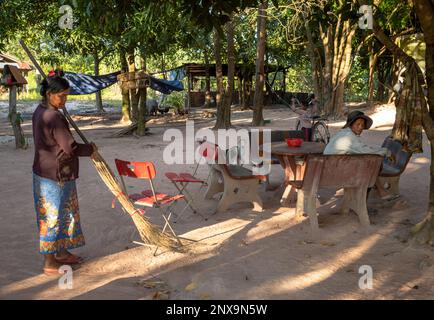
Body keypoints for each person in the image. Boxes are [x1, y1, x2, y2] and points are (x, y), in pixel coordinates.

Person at [32, 71, 96, 276]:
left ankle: (61, 252)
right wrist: (90, 149)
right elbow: (70, 148)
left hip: (46, 172)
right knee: (53, 218)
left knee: (61, 214)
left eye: (67, 96)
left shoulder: (40, 110)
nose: (65, 100)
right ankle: (50, 262)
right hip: (56, 176)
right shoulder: (53, 117)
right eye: (62, 96)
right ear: (49, 93)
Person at [324, 110, 399, 201]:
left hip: (331, 169)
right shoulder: (349, 137)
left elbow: (362, 148)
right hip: (335, 174)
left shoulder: (342, 133)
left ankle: (380, 191)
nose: (360, 127)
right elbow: (366, 150)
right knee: (371, 166)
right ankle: (377, 194)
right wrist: (387, 152)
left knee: (368, 165)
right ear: (351, 124)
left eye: (362, 125)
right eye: (358, 124)